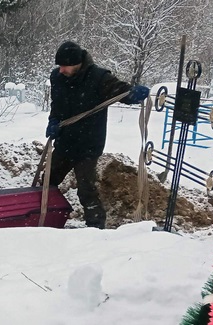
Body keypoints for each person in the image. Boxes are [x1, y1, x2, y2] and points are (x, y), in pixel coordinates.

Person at [46, 41, 149, 229]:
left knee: (86, 189)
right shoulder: (57, 78)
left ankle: (96, 229)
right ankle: (42, 217)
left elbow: (120, 92)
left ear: (77, 63)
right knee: (46, 182)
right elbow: (57, 105)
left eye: (65, 66)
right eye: (59, 66)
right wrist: (53, 122)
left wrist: (133, 94)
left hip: (88, 144)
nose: (61, 70)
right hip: (65, 141)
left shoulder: (99, 78)